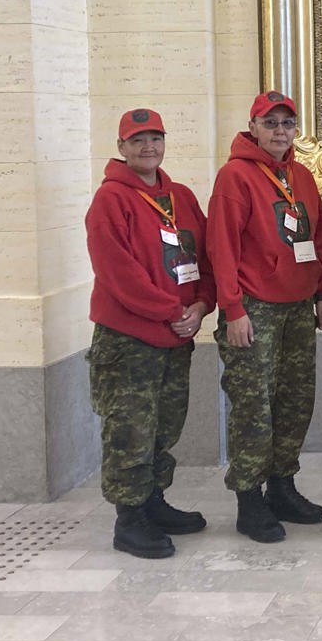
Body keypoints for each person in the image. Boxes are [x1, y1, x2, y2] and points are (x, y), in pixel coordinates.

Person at [85, 108, 216, 559]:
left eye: (155, 138)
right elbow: (118, 274)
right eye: (137, 140)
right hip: (129, 340)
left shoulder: (178, 196)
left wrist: (201, 305)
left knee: (164, 425)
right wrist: (172, 310)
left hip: (176, 333)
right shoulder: (110, 201)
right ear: (121, 148)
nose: (148, 147)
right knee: (129, 430)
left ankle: (154, 501)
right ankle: (130, 518)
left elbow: (204, 255)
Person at [207, 91, 322, 544]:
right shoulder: (234, 177)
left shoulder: (301, 176)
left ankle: (282, 485)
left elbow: (317, 237)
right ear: (253, 126)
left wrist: (321, 293)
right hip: (253, 309)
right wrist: (233, 309)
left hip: (299, 306)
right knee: (253, 405)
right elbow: (221, 247)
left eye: (287, 123)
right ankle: (248, 497)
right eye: (271, 122)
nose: (280, 130)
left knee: (295, 400)